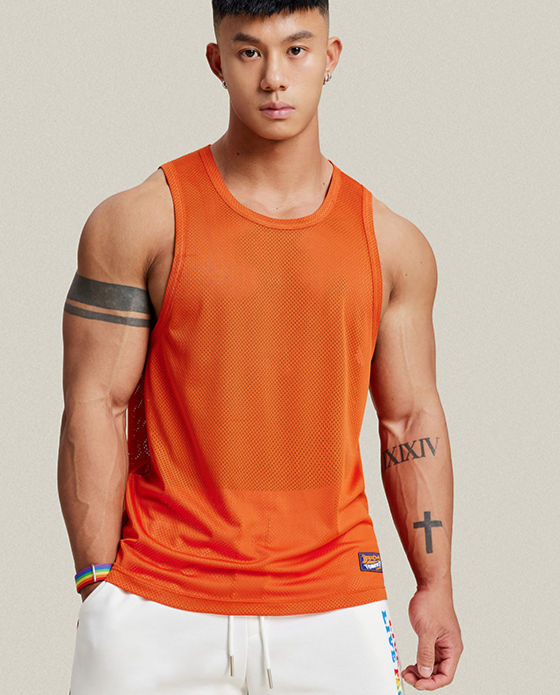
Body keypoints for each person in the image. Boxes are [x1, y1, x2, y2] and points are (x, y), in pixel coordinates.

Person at [58, 1, 462, 693]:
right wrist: (99, 588)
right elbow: (96, 400)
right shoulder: (141, 222)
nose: (274, 77)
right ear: (217, 62)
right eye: (250, 52)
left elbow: (409, 419)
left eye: (296, 50)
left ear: (331, 57)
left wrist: (435, 583)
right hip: (158, 598)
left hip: (333, 602)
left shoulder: (392, 245)